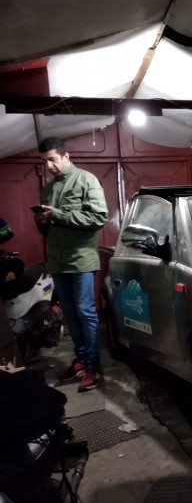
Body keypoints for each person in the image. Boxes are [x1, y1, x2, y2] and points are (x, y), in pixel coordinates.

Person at [33, 137, 108, 392]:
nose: (49, 166)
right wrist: (42, 222)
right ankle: (82, 359)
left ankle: (93, 366)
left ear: (66, 156)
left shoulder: (86, 180)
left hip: (81, 259)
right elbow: (48, 230)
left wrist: (58, 215)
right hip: (58, 261)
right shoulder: (48, 189)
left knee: (86, 311)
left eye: (52, 159)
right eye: (45, 161)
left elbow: (99, 217)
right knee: (70, 314)